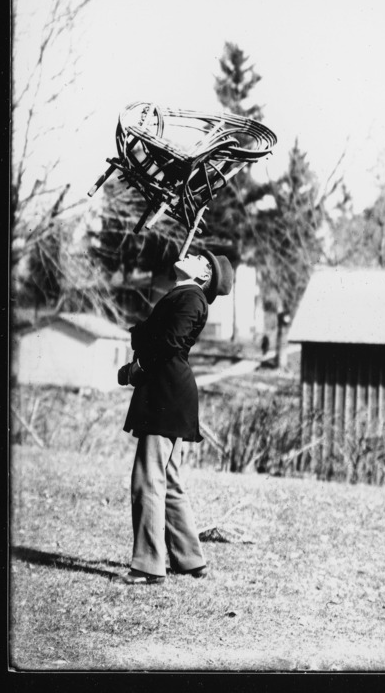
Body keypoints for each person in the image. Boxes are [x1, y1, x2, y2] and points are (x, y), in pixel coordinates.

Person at [117, 250, 234, 585]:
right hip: (170, 394)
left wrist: (136, 368)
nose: (192, 253)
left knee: (148, 479)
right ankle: (190, 560)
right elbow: (161, 338)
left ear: (203, 276)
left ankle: (148, 566)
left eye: (201, 258)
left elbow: (169, 343)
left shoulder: (192, 298)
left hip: (167, 396)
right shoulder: (185, 294)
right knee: (169, 480)